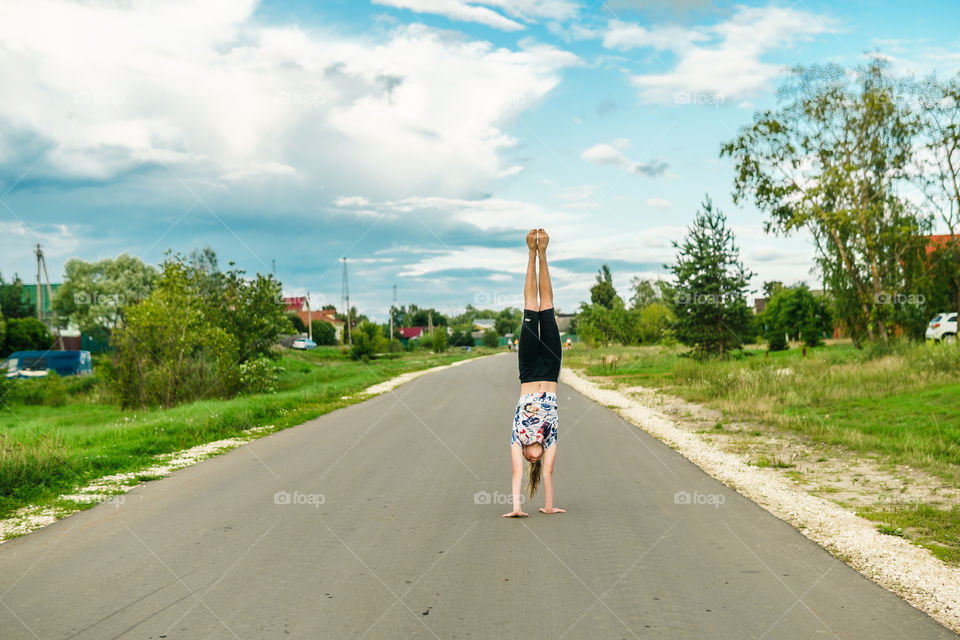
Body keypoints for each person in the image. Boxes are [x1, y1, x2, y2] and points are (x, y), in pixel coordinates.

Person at [503, 229, 566, 517]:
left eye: (528, 458)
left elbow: (516, 475)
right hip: (551, 370)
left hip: (528, 372)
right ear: (538, 460)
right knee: (548, 310)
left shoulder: (518, 438)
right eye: (533, 458)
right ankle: (544, 253)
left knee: (531, 307)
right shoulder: (550, 440)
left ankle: (530, 253)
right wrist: (549, 507)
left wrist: (517, 508)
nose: (531, 456)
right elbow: (549, 476)